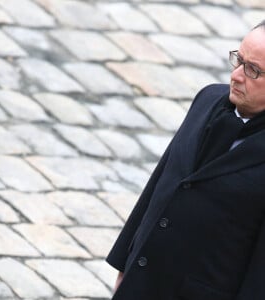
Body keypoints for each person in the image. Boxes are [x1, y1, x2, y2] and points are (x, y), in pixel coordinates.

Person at [106, 20, 265, 300]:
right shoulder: (207, 99)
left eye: (253, 70)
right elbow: (161, 180)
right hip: (143, 280)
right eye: (238, 60)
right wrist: (124, 263)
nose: (237, 76)